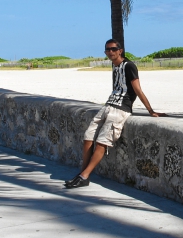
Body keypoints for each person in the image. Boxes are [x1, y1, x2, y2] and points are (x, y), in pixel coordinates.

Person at [65, 39, 164, 189]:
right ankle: (82, 173)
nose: (110, 52)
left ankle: (84, 176)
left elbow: (137, 89)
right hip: (108, 106)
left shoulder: (129, 66)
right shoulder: (115, 66)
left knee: (102, 142)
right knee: (88, 138)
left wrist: (150, 111)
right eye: (107, 50)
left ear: (120, 50)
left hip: (120, 109)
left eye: (113, 49)